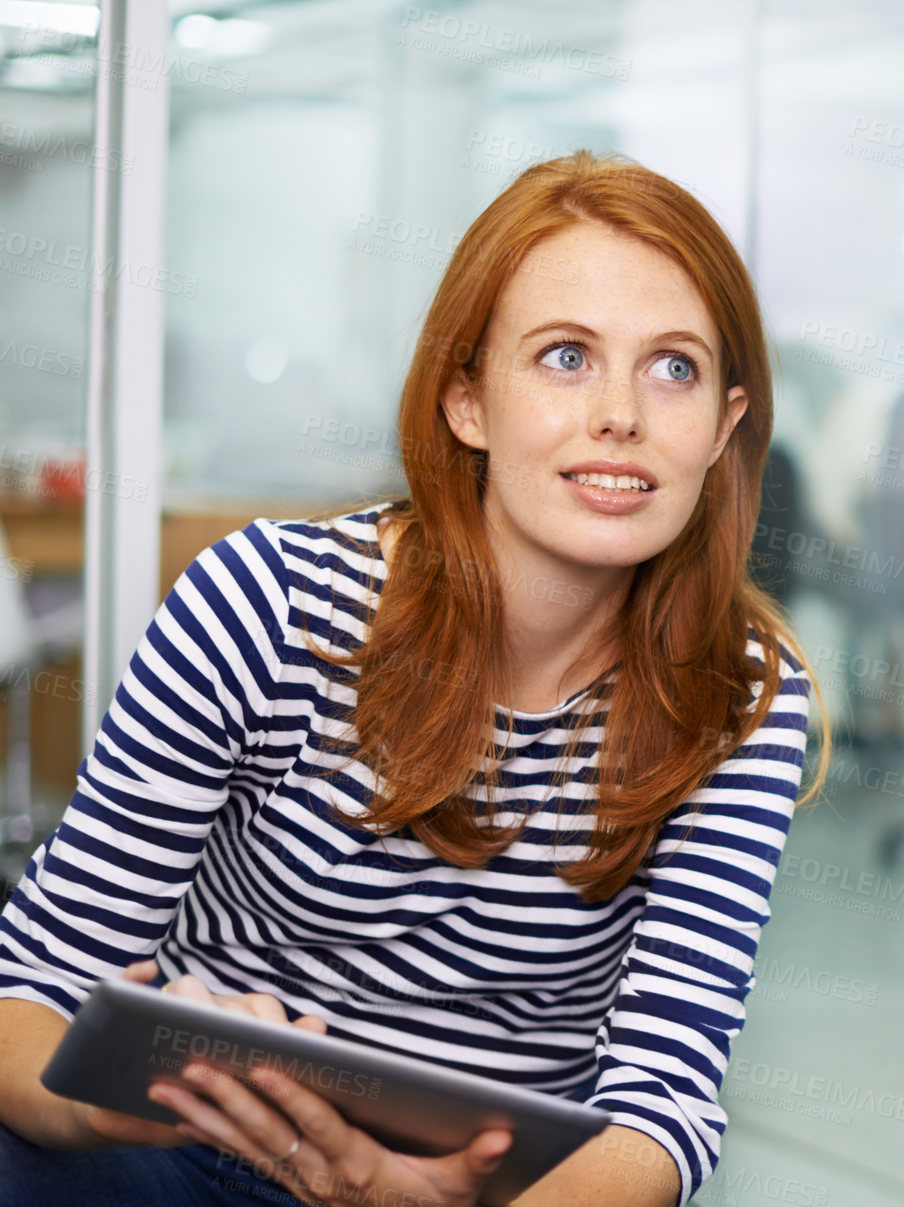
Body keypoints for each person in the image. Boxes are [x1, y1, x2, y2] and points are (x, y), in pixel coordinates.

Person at [0, 148, 830, 1207]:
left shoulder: (737, 695)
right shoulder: (267, 604)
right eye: (564, 356)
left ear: (721, 425)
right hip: (184, 1154)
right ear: (465, 401)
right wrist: (98, 1108)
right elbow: (28, 992)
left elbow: (661, 1111)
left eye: (672, 367)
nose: (620, 412)